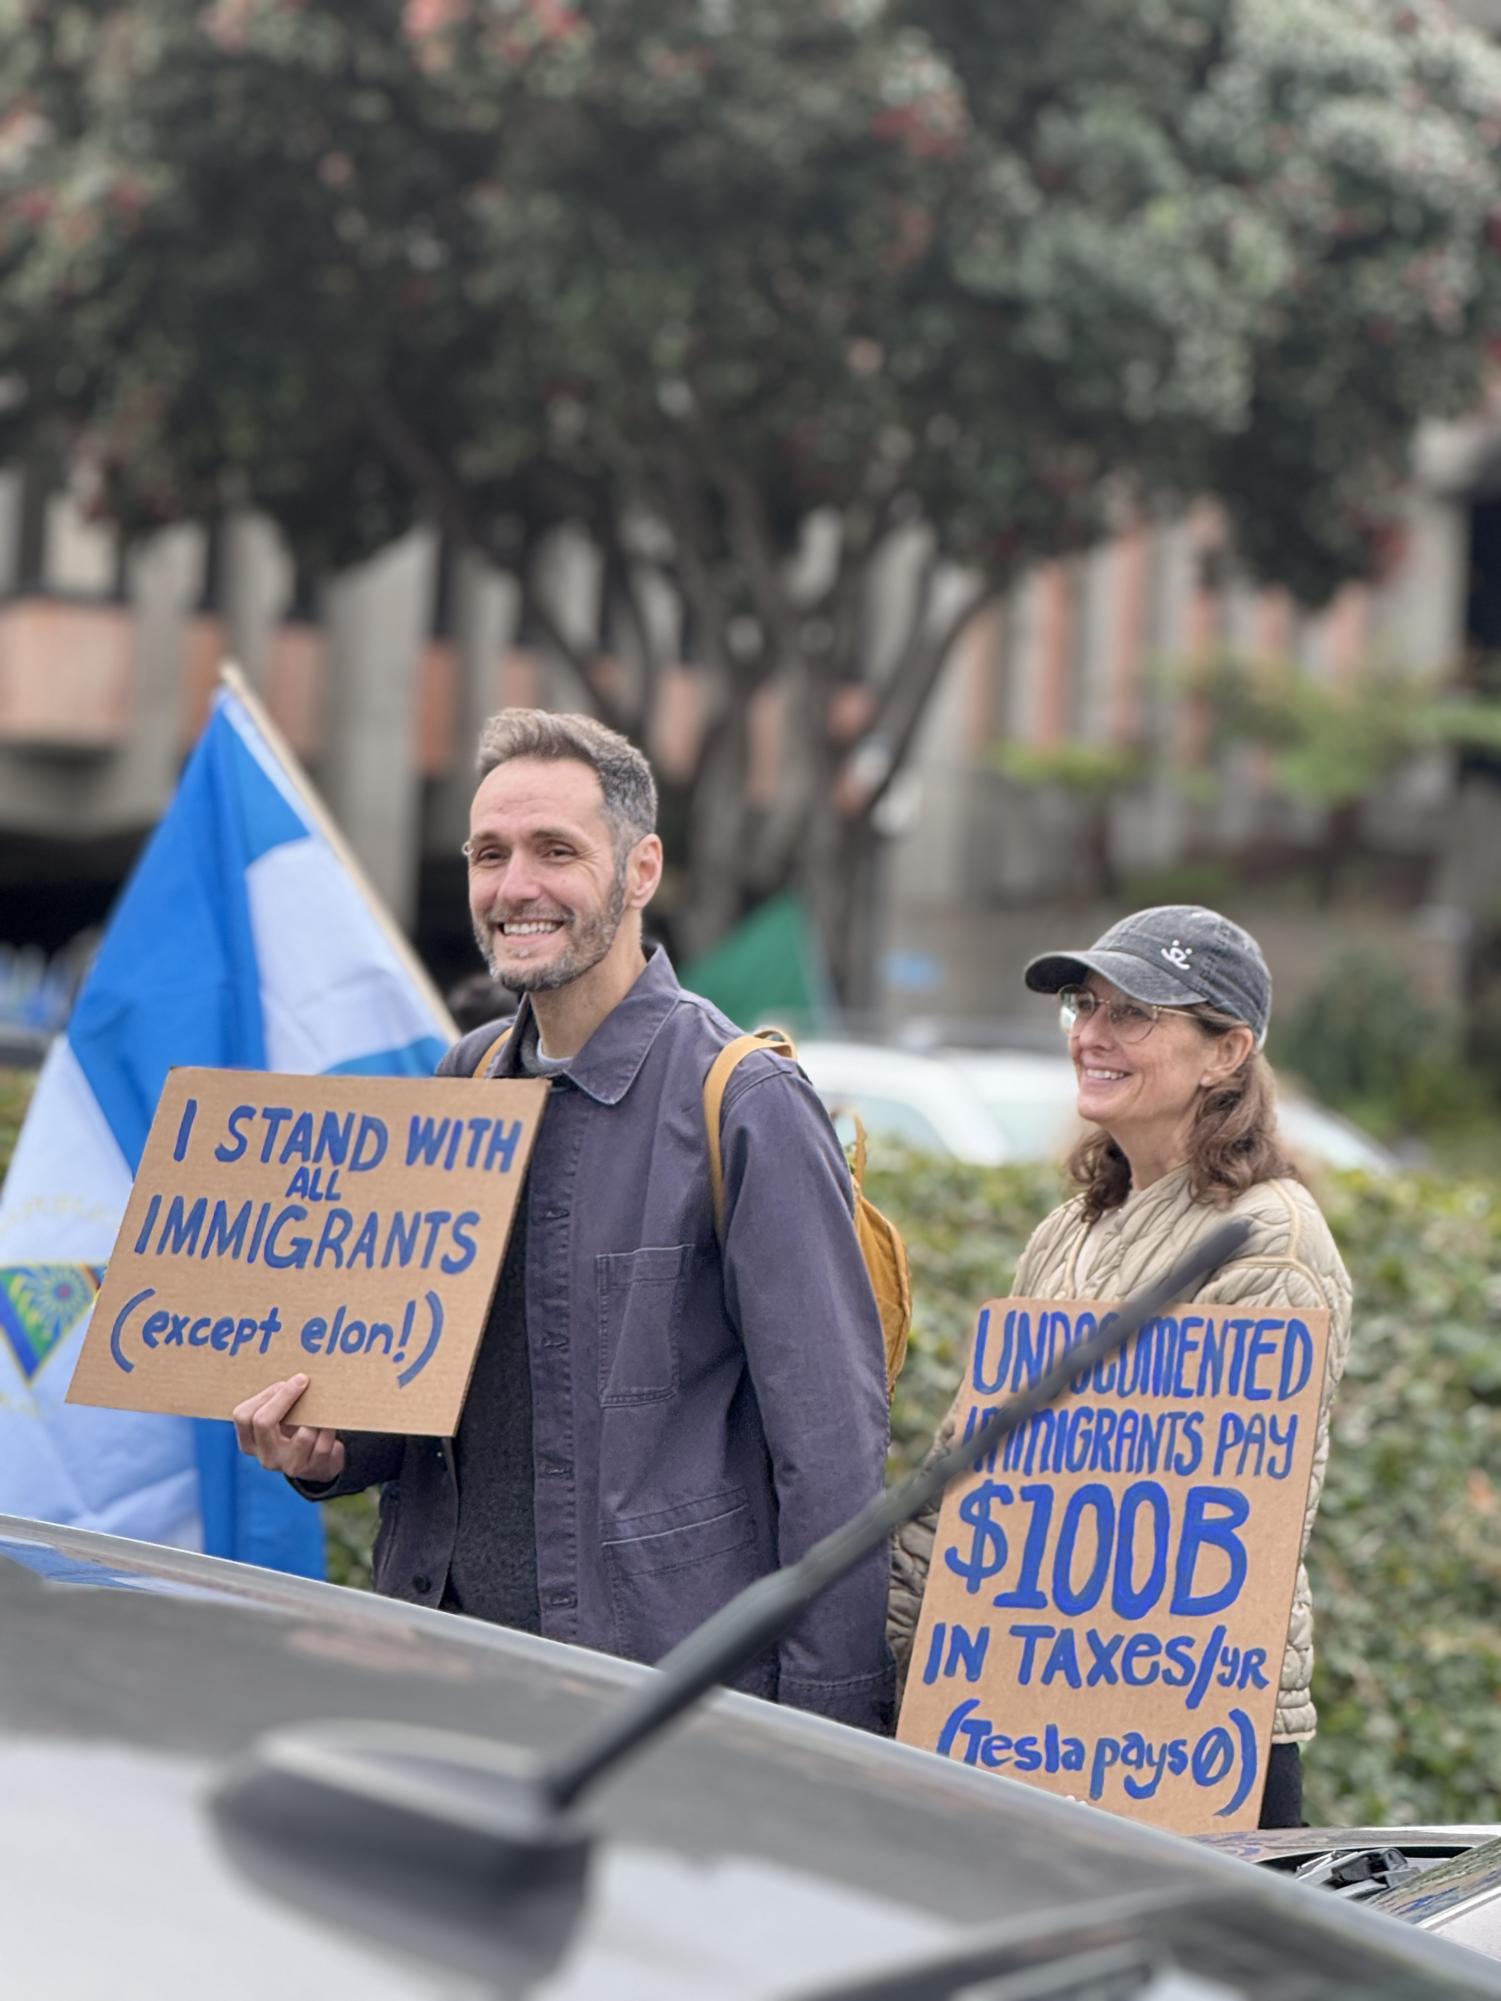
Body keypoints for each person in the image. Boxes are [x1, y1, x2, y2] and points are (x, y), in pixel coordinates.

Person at [233, 709, 893, 1731]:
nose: (514, 888)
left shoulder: (742, 1101)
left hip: (651, 1712)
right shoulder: (464, 1078)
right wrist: (333, 1452)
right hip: (437, 1669)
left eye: (556, 851)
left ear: (639, 872)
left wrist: (831, 1729)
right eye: (489, 854)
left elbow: (834, 1455)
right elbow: (426, 1383)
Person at [887, 905, 1352, 1825]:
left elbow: (1227, 1521)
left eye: (1132, 1013)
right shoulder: (1070, 1228)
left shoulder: (1270, 1238)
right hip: (1035, 1705)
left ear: (1226, 1051)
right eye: (1082, 1006)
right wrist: (896, 1641)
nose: (1090, 1036)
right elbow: (973, 1463)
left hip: (1188, 1733)